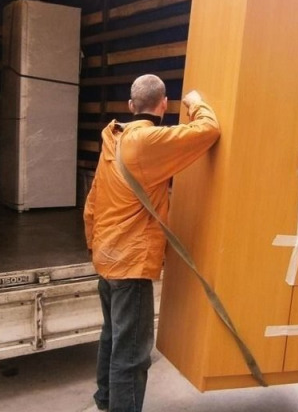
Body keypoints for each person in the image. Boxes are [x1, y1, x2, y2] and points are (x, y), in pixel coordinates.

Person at [83, 74, 220, 412]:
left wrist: (94, 246)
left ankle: (105, 400)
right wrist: (195, 102)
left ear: (131, 105)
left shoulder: (113, 139)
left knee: (112, 336)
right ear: (164, 105)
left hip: (106, 257)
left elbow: (92, 201)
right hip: (131, 264)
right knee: (131, 353)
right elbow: (208, 130)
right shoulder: (149, 141)